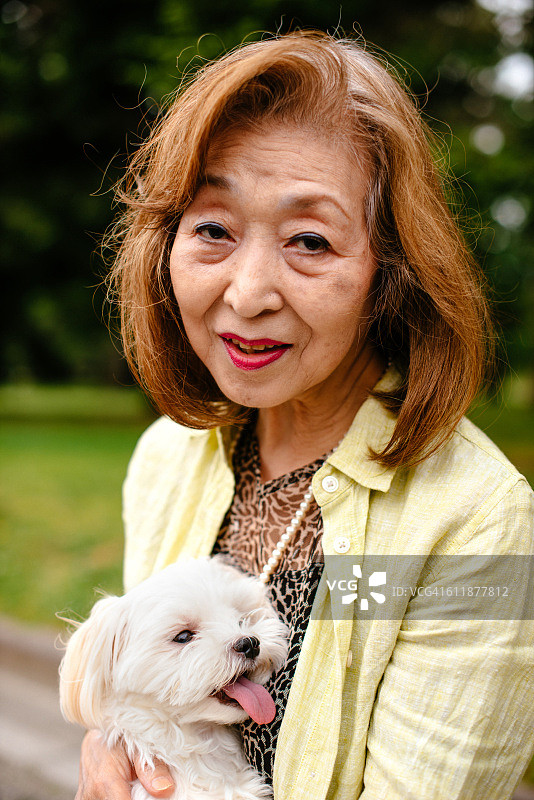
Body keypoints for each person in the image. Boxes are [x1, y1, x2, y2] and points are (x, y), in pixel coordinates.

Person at [77, 31, 534, 800]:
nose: (249, 292)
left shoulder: (478, 526)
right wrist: (108, 757)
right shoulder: (168, 457)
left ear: (390, 274)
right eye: (213, 228)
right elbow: (144, 705)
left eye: (310, 240)